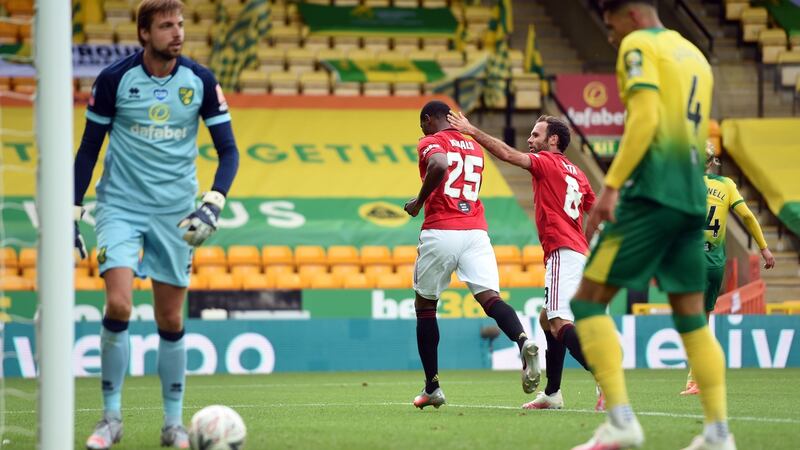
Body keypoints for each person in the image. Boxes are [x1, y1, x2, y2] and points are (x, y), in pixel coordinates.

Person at [73, 1, 239, 448]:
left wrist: (213, 203)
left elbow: (229, 151)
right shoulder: (114, 80)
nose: (177, 32)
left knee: (170, 317)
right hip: (120, 208)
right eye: (167, 25)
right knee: (121, 305)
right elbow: (89, 149)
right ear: (145, 33)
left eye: (180, 24)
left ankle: (172, 423)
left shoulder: (201, 81)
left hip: (175, 214)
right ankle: (110, 418)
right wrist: (72, 211)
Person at [569, 1, 734, 449]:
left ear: (633, 14)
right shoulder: (695, 54)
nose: (610, 35)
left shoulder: (639, 44)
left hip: (652, 192)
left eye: (611, 24)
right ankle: (718, 433)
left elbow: (644, 118)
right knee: (692, 319)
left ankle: (621, 421)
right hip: (692, 199)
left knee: (586, 303)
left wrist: (611, 186)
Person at [447, 112, 602, 411]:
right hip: (577, 252)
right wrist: (584, 242)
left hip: (562, 251)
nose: (530, 140)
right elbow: (595, 213)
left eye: (535, 135)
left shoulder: (547, 162)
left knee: (558, 322)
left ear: (553, 139)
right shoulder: (579, 173)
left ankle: (605, 376)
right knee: (547, 320)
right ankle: (553, 393)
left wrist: (471, 131)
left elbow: (507, 154)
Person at [404, 100, 540, 409]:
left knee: (425, 305)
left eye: (422, 123)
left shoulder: (431, 141)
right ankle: (522, 339)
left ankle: (432, 387)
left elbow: (438, 165)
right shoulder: (472, 147)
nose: (422, 129)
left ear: (428, 120)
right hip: (476, 232)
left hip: (442, 229)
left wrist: (419, 202)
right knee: (490, 297)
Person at [680, 144, 775, 395]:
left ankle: (701, 378)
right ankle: (695, 378)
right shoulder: (726, 185)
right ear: (712, 162)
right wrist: (764, 248)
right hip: (714, 264)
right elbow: (747, 217)